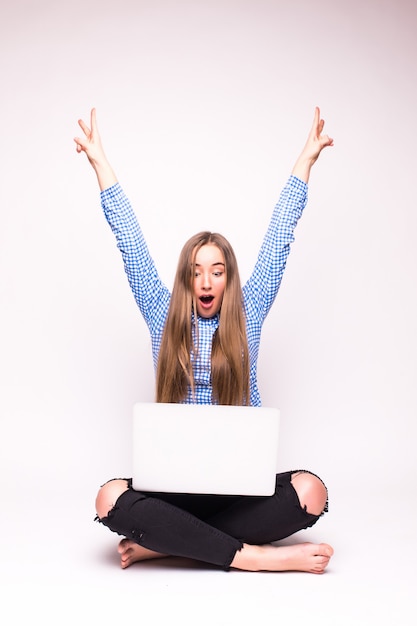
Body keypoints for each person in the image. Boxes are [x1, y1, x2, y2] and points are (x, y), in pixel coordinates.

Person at [74, 107, 334, 573]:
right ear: (186, 280)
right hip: (175, 491)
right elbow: (129, 242)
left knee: (312, 490)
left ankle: (170, 543)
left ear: (229, 278)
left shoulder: (249, 311)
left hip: (237, 492)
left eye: (217, 271)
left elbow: (280, 238)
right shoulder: (162, 313)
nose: (207, 281)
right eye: (197, 272)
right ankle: (251, 557)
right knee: (108, 497)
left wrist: (306, 160)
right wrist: (100, 164)